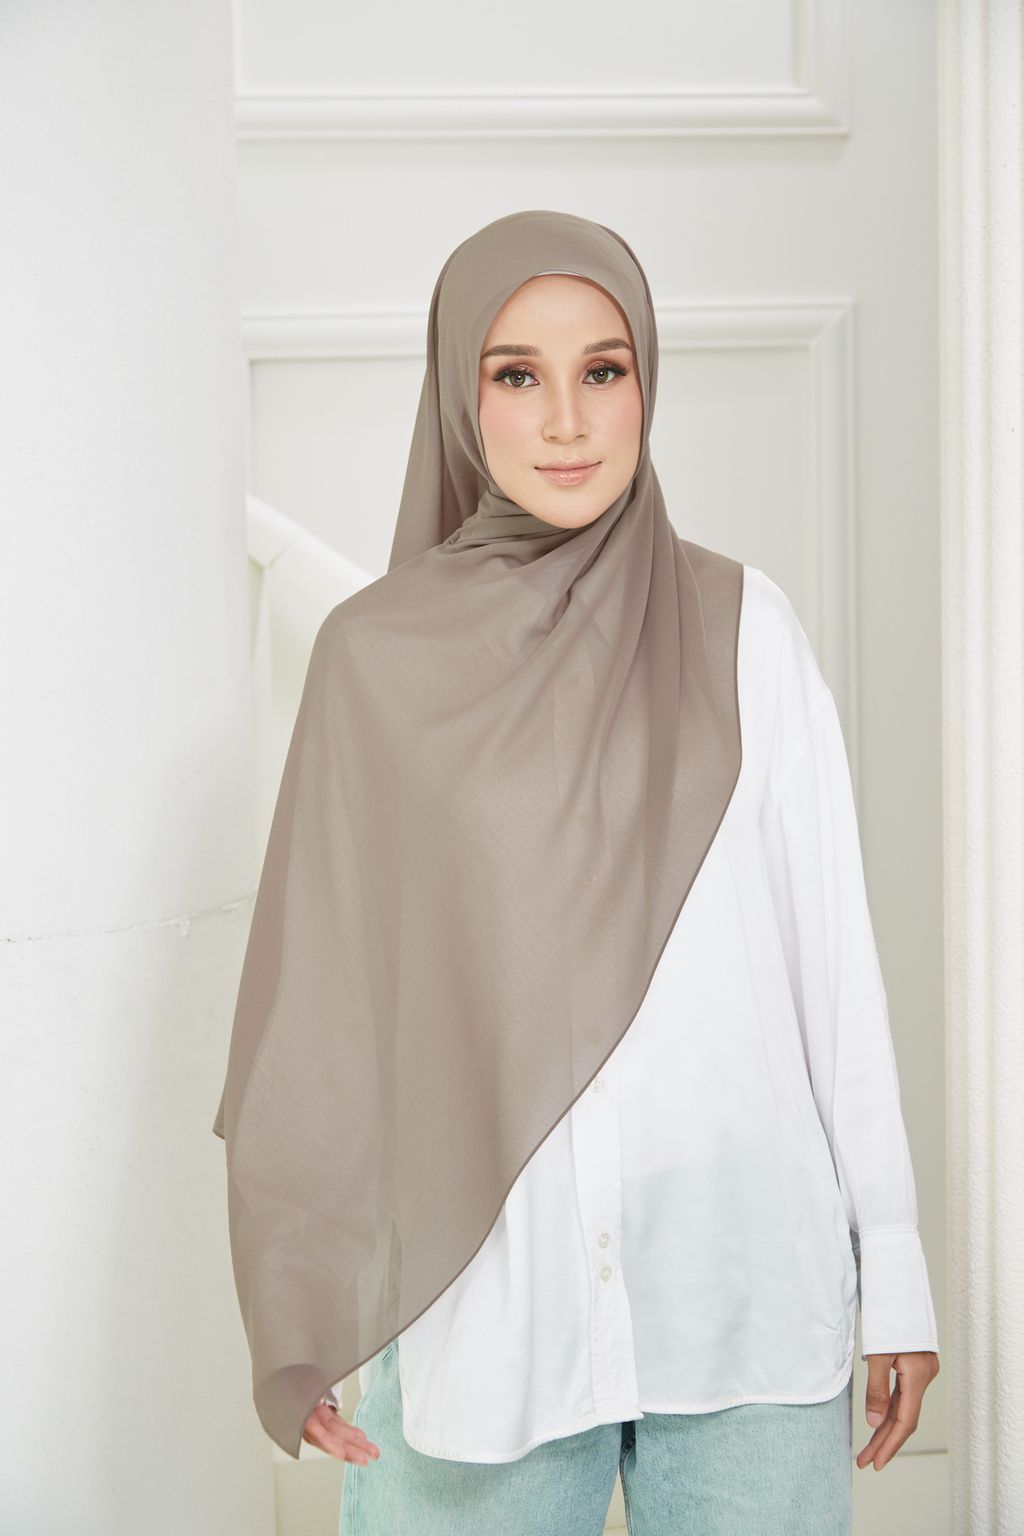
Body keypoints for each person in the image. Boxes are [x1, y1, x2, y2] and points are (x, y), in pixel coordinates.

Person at [213, 211, 939, 1535]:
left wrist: (892, 1270)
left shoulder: (747, 631)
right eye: (517, 374)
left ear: (646, 381)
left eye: (603, 370)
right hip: (486, 1308)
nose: (566, 420)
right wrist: (299, 1298)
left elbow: (833, 971)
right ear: (460, 395)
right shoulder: (375, 663)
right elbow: (327, 1008)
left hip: (743, 1288)